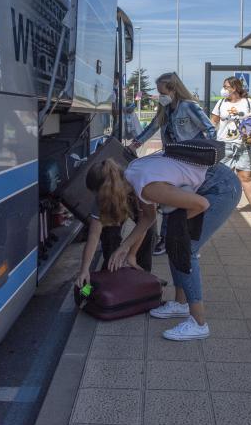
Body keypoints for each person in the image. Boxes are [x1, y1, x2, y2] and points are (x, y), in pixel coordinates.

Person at [87, 154, 241, 340]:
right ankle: (181, 304)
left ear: (109, 192)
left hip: (221, 188)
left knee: (185, 249)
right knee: (173, 243)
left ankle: (199, 323)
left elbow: (201, 204)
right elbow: (148, 218)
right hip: (207, 185)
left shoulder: (146, 186)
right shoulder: (133, 175)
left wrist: (179, 226)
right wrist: (125, 247)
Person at [130, 72, 217, 255]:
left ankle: (180, 239)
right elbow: (152, 127)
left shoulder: (188, 106)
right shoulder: (165, 109)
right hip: (172, 159)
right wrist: (135, 144)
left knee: (176, 201)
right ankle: (169, 238)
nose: (160, 96)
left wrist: (208, 153)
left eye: (162, 92)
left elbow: (209, 128)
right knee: (169, 200)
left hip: (190, 160)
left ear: (173, 90)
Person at [74, 160, 155, 288]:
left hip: (139, 204)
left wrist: (131, 254)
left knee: (149, 234)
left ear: (105, 190)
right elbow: (94, 235)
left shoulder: (136, 184)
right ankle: (102, 284)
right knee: (111, 244)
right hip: (115, 203)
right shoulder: (102, 198)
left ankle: (144, 284)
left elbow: (145, 223)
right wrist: (84, 269)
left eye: (96, 193)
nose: (95, 197)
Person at [211, 76, 251, 220]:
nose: (223, 89)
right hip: (225, 144)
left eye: (226, 87)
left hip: (244, 144)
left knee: (246, 177)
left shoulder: (247, 102)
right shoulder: (221, 103)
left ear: (234, 88)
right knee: (223, 177)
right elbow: (213, 122)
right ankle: (219, 206)